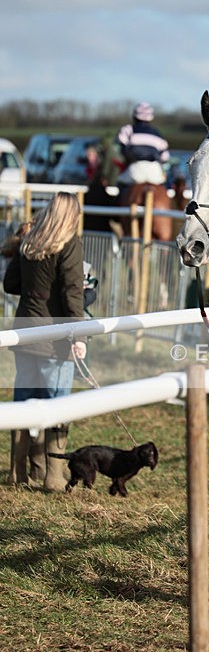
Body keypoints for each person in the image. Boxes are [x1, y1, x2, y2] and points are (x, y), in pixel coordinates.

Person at [3, 192, 86, 490]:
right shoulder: (69, 244)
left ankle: (19, 472)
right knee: (58, 404)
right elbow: (72, 293)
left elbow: (10, 283)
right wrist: (80, 336)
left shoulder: (28, 240)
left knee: (24, 402)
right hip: (55, 338)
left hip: (25, 333)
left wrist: (35, 289)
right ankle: (53, 476)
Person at [115, 102, 170, 195]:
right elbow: (165, 158)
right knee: (165, 188)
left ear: (134, 117)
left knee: (120, 183)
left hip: (135, 169)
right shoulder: (158, 134)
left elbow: (122, 149)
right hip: (154, 171)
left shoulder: (128, 130)